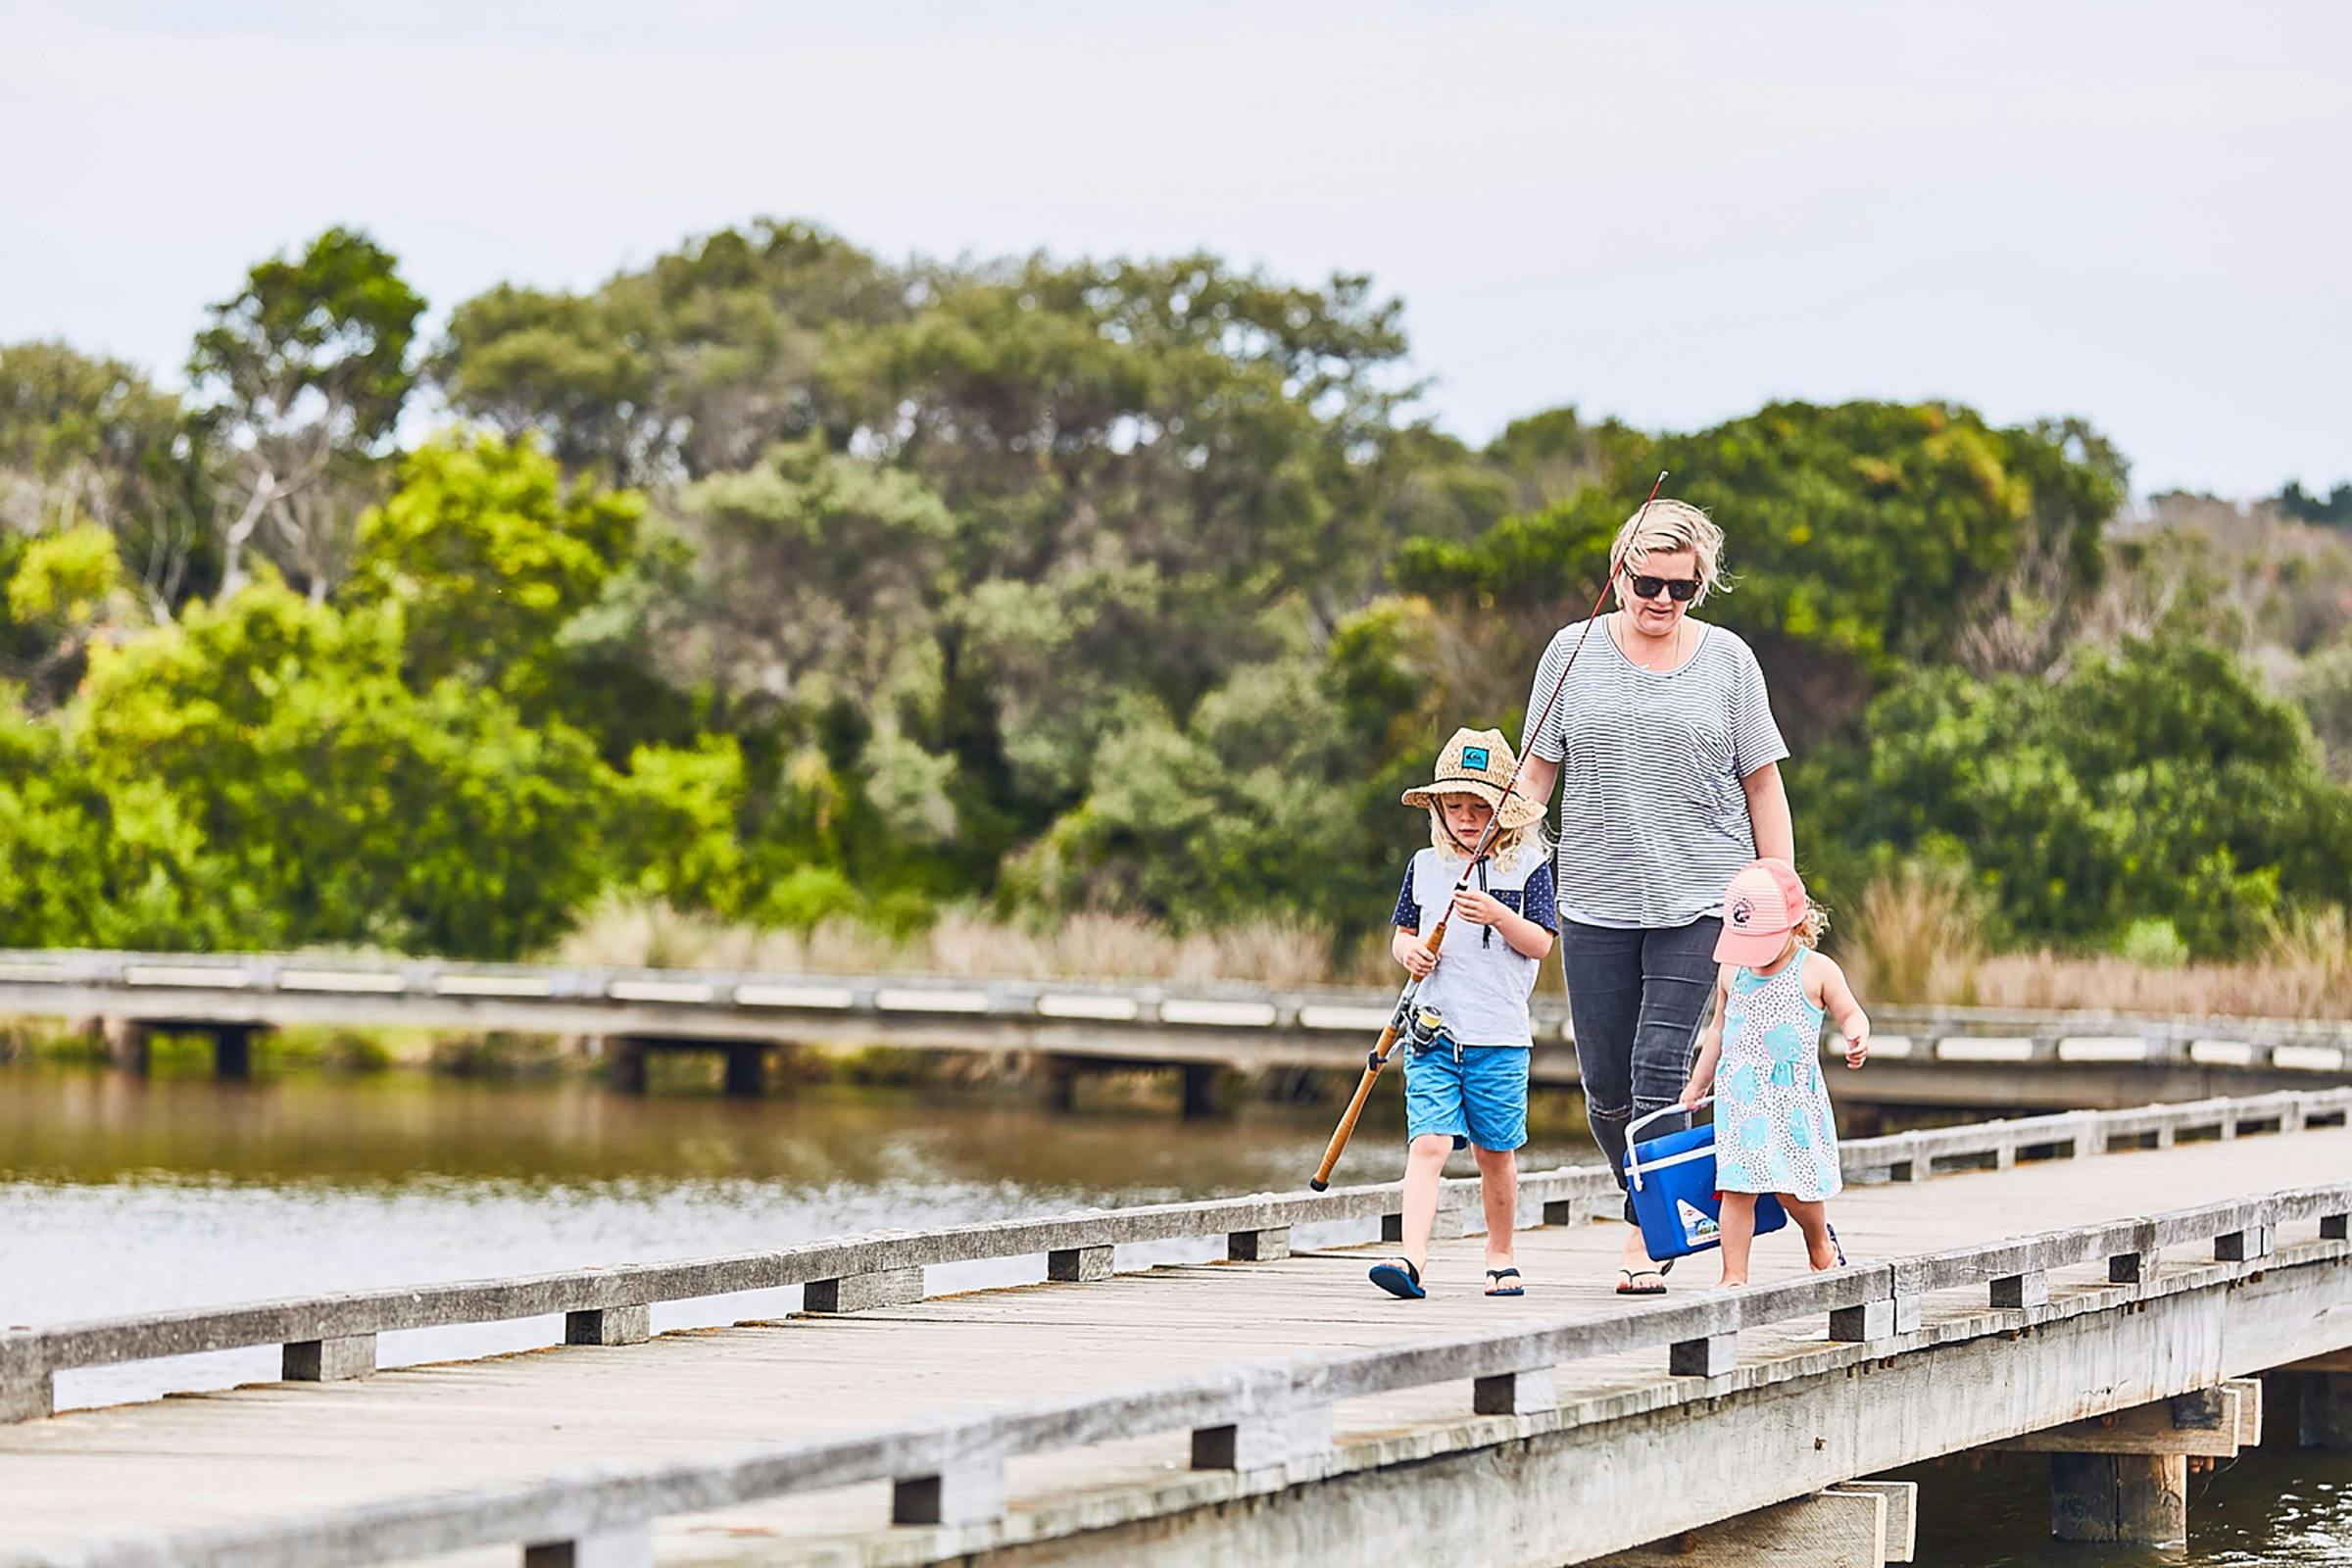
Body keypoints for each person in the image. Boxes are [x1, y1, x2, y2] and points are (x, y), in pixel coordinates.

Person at [1513, 497, 1792, 1296]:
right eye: (1648, 583)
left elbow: (1763, 784)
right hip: (1594, 898)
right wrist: (1503, 846)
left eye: (1682, 587)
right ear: (1618, 574)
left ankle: (1644, 1241)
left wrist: (1782, 893)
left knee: (1657, 1071)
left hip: (1704, 896)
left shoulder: (1730, 662)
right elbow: (1536, 773)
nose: (1663, 601)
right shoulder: (1569, 653)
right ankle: (1668, 1206)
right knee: (1604, 1091)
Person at [1367, 726, 1558, 1300]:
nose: (1468, 819)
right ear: (1440, 809)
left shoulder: (1528, 868)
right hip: (1432, 1033)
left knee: (1493, 1153)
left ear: (1505, 810)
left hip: (1497, 1037)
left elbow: (1541, 944)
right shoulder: (1425, 866)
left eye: (1481, 807)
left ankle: (1500, 1253)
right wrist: (1413, 954)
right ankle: (1412, 1258)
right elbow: (1402, 936)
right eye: (1456, 806)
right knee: (1429, 1144)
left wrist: (1498, 914)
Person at [1678, 858, 1870, 1287]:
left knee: (1795, 1187)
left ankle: (1819, 1241)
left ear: (1796, 924)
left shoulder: (1817, 971)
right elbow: (1719, 1029)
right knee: (1736, 1187)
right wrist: (1697, 1084)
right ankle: (1734, 1275)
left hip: (1791, 1100)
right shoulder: (1734, 971)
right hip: (1741, 1101)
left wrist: (1857, 1036)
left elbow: (1851, 1014)